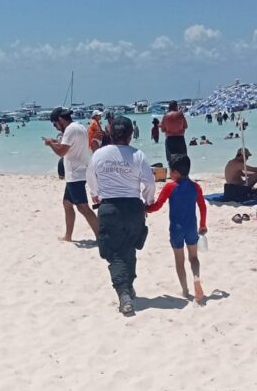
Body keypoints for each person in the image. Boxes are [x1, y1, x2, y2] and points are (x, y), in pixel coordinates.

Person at [86, 115, 155, 316]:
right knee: (129, 247)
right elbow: (149, 182)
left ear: (110, 133)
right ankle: (128, 286)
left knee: (115, 253)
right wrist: (148, 201)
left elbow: (90, 177)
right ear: (131, 135)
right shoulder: (138, 155)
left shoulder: (99, 155)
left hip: (109, 207)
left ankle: (123, 292)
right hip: (133, 207)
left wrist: (95, 193)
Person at [146, 154, 207, 300]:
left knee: (179, 261)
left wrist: (145, 208)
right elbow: (202, 207)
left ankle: (185, 290)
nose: (169, 173)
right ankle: (196, 278)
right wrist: (202, 224)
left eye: (170, 171)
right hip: (191, 227)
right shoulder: (195, 187)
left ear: (176, 173)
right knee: (194, 257)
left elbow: (157, 206)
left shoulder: (170, 187)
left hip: (176, 229)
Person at [44, 107, 98, 241]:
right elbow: (70, 146)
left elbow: (61, 152)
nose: (56, 127)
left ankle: (101, 236)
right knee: (67, 203)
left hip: (76, 174)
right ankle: (68, 236)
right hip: (77, 172)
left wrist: (50, 143)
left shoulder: (69, 130)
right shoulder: (79, 127)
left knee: (83, 207)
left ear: (60, 120)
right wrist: (56, 142)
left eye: (55, 124)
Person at [160, 100, 188, 165]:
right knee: (183, 159)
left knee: (171, 160)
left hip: (170, 139)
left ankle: (173, 171)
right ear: (176, 106)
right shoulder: (180, 115)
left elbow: (162, 130)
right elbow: (186, 126)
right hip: (180, 139)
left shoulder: (165, 116)